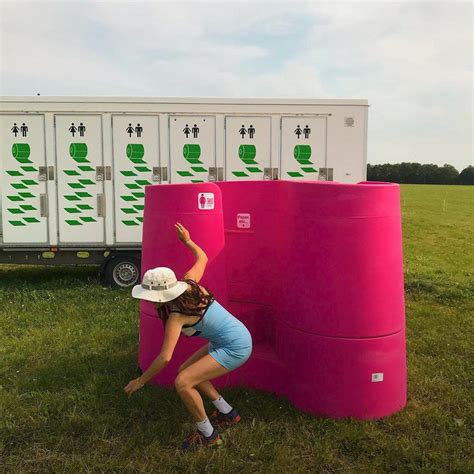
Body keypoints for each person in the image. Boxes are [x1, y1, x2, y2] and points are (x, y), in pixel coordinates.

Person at [124, 222, 253, 450]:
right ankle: (228, 413)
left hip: (236, 346)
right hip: (231, 338)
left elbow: (165, 357)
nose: (147, 300)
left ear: (160, 296)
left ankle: (208, 435)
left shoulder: (177, 316)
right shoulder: (188, 283)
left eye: (149, 296)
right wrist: (187, 241)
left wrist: (140, 381)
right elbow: (202, 258)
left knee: (183, 382)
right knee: (188, 371)